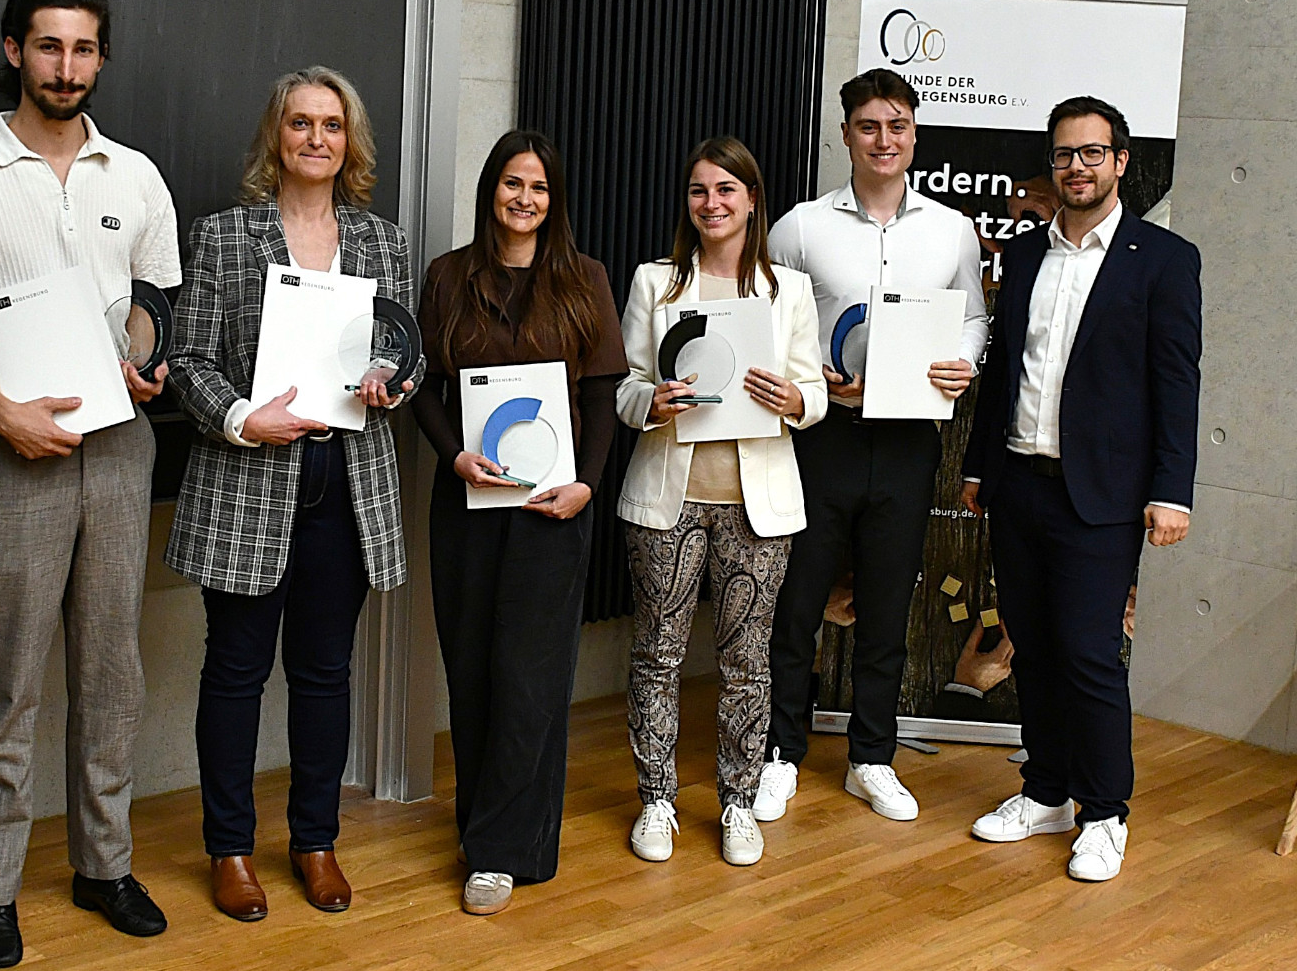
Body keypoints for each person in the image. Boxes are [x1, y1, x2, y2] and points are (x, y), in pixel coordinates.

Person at [0, 0, 181, 965]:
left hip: (119, 453)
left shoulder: (135, 176)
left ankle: (105, 866)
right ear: (15, 51)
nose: (67, 67)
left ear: (102, 59)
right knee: (5, 681)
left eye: (85, 50)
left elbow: (153, 296)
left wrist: (146, 360)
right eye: (49, 48)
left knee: (113, 673)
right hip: (9, 456)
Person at [164, 67, 416, 923]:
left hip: (348, 484)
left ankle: (315, 840)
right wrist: (240, 417)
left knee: (324, 673)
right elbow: (186, 362)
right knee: (234, 674)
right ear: (277, 136)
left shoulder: (383, 242)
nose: (317, 139)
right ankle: (230, 848)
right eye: (301, 123)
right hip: (247, 479)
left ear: (351, 142)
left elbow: (404, 354)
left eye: (332, 126)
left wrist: (390, 380)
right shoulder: (225, 237)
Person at [962, 96, 1200, 882]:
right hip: (1019, 483)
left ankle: (1105, 814)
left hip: (1101, 497)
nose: (1077, 167)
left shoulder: (1163, 260)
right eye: (1064, 154)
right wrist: (975, 466)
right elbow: (1003, 373)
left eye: (1092, 153)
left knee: (1091, 655)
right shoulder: (1027, 254)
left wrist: (1173, 490)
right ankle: (1046, 792)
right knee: (1033, 646)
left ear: (1121, 162)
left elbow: (1176, 385)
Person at [756, 69, 989, 825]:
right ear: (847, 134)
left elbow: (974, 320)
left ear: (914, 132)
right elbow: (772, 321)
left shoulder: (950, 229)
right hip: (821, 438)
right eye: (868, 126)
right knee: (798, 604)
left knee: (888, 606)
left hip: (908, 442)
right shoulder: (798, 226)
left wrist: (966, 361)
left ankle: (872, 759)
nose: (883, 140)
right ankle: (781, 754)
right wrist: (807, 376)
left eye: (897, 125)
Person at [412, 130, 627, 916]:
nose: (524, 199)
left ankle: (506, 852)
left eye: (538, 187)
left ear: (553, 199)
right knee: (471, 673)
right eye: (512, 184)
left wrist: (587, 487)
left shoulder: (584, 280)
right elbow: (426, 388)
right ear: (491, 191)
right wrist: (452, 457)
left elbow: (603, 394)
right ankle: (486, 829)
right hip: (467, 505)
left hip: (550, 510)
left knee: (529, 682)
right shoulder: (448, 277)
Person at [615, 136, 826, 868]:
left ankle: (738, 802)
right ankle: (657, 802)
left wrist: (798, 398)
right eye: (700, 190)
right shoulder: (655, 282)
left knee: (747, 662)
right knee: (656, 656)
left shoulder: (787, 289)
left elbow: (817, 393)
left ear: (751, 200)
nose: (712, 203)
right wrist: (653, 401)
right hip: (668, 501)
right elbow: (625, 386)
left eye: (726, 190)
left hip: (756, 505)